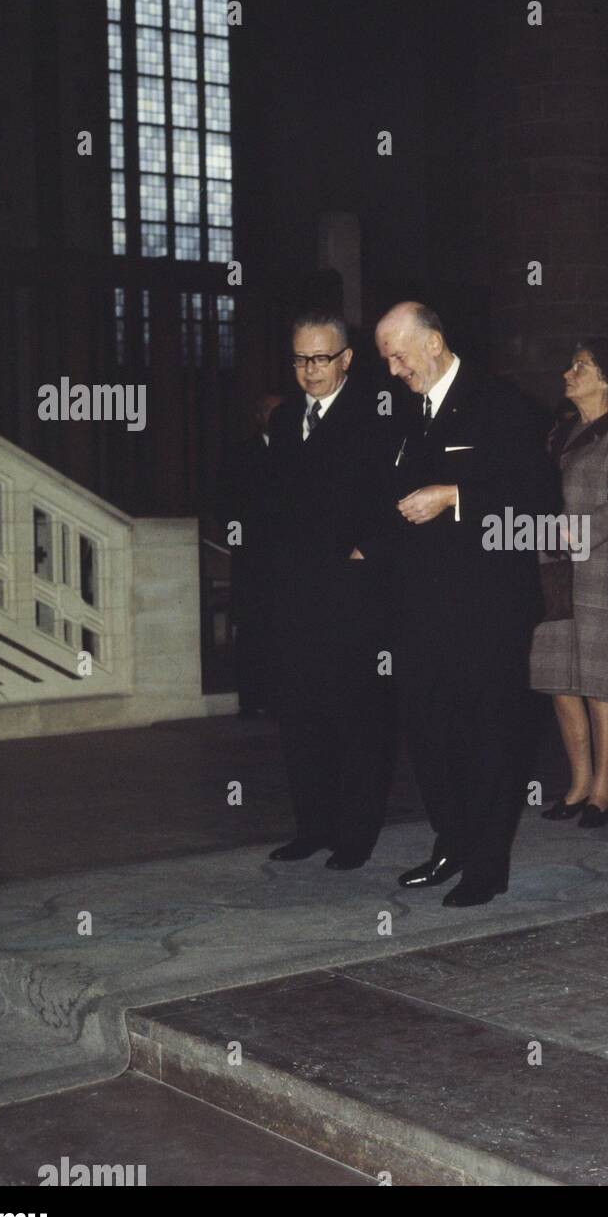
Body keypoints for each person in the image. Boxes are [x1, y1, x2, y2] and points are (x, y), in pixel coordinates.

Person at [372, 301, 557, 907]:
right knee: (430, 732)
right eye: (386, 359)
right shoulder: (406, 412)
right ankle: (450, 842)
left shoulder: (502, 404)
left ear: (433, 342)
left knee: (488, 734)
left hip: (487, 610)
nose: (394, 369)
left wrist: (456, 495)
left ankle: (487, 863)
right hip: (420, 610)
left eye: (399, 354)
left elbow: (539, 503)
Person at [263, 312, 395, 867]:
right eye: (299, 359)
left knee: (356, 714)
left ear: (346, 358)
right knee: (301, 713)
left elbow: (396, 492)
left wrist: (368, 550)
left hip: (352, 591)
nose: (309, 370)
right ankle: (312, 825)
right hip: (295, 591)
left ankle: (354, 834)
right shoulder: (287, 416)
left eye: (320, 358)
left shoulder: (378, 413)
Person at [531, 338, 608, 828]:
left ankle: (604, 790)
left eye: (580, 366)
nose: (568, 373)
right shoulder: (560, 434)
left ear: (605, 379)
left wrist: (574, 531)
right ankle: (577, 783)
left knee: (600, 681)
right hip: (554, 567)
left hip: (600, 567)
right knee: (561, 680)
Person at [224, 392, 280, 718]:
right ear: (260, 417)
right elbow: (226, 502)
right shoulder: (242, 454)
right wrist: (245, 535)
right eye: (273, 412)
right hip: (254, 558)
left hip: (287, 559)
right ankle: (251, 699)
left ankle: (280, 698)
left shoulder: (298, 452)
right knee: (252, 629)